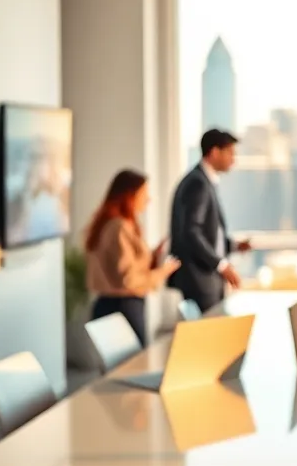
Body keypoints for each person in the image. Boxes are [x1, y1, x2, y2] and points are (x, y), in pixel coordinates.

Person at [84, 170, 181, 345]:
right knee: (134, 360)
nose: (148, 199)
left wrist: (153, 255)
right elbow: (129, 280)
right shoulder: (118, 227)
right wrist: (163, 271)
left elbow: (125, 268)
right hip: (122, 308)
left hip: (115, 305)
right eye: (144, 194)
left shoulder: (116, 224)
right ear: (129, 196)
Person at [168, 129, 252, 313]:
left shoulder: (204, 182)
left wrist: (234, 246)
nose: (233, 159)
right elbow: (192, 232)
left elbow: (209, 234)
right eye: (230, 153)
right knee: (210, 328)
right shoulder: (197, 184)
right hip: (200, 280)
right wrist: (221, 265)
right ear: (214, 152)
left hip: (205, 280)